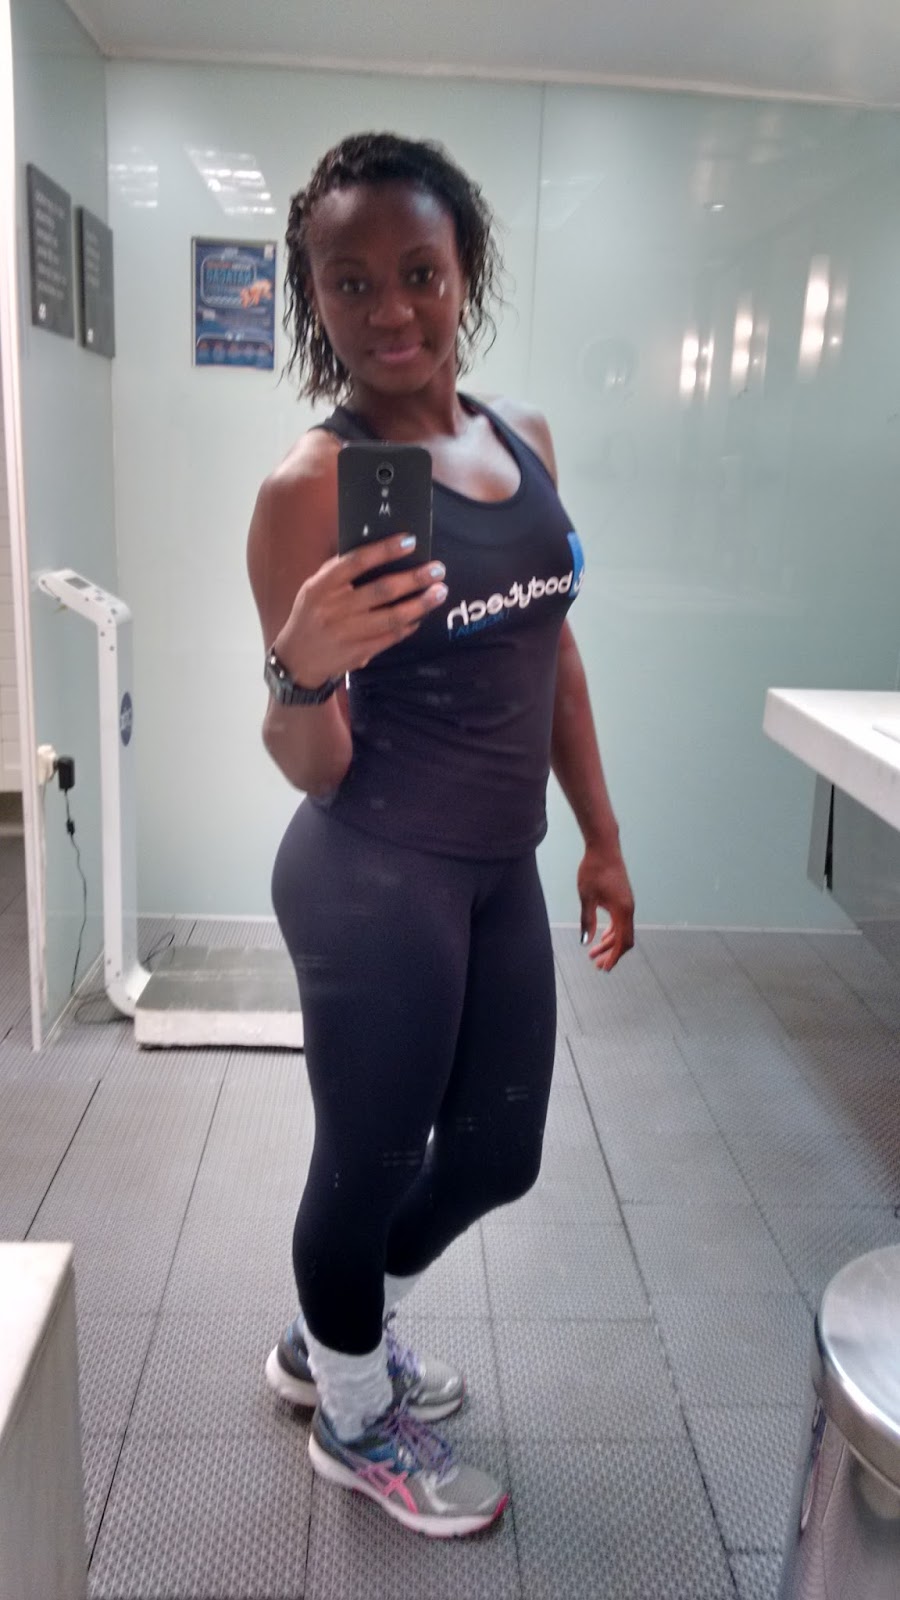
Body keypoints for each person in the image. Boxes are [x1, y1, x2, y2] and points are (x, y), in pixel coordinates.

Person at [247, 131, 634, 1539]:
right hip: (374, 872)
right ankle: (353, 1418)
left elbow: (554, 654)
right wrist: (299, 672)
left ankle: (330, 1335)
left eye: (418, 270)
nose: (390, 308)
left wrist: (599, 836)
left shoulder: (521, 438)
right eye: (349, 282)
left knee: (496, 1154)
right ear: (315, 297)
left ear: (465, 269)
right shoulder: (312, 486)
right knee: (363, 1160)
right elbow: (312, 764)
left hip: (498, 866)